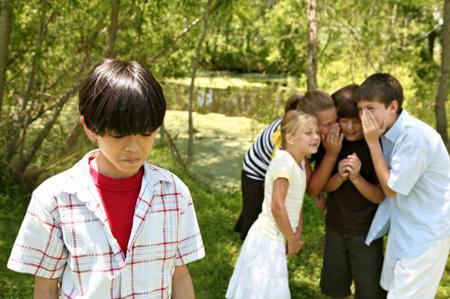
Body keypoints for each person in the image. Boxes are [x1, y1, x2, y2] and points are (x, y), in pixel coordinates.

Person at [7, 59, 205, 298]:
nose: (134, 147)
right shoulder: (53, 200)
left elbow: (179, 274)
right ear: (90, 127)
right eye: (119, 134)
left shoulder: (174, 193)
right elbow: (46, 286)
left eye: (146, 132)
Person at [356, 73, 450, 299]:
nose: (363, 117)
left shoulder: (415, 137)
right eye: (360, 109)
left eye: (370, 108)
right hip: (405, 229)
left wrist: (371, 143)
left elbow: (390, 188)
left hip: (426, 234)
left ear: (393, 106)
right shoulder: (387, 131)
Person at [226, 110, 321, 298]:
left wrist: (296, 233)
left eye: (317, 132)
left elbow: (297, 201)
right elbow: (277, 207)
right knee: (262, 289)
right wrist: (292, 239)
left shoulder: (300, 163)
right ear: (291, 138)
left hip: (279, 237)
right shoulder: (284, 164)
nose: (316, 137)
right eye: (308, 133)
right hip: (268, 239)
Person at [234, 90, 342, 239]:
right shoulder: (289, 139)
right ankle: (251, 248)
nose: (335, 128)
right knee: (257, 219)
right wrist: (331, 154)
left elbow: (307, 177)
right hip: (257, 171)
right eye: (328, 124)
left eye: (335, 121)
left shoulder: (308, 133)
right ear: (310, 123)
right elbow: (308, 187)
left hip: (279, 169)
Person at [319, 84, 387, 299]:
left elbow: (379, 195)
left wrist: (356, 178)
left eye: (356, 122)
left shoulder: (375, 147)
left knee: (368, 290)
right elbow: (323, 187)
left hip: (367, 233)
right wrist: (339, 177)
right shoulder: (331, 144)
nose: (349, 127)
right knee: (336, 287)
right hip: (335, 227)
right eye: (343, 121)